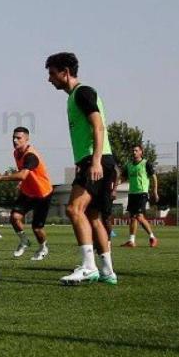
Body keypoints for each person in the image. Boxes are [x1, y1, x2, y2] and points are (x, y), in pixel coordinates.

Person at [46, 52, 118, 285]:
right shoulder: (73, 97)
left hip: (95, 160)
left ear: (65, 73)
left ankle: (88, 267)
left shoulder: (82, 92)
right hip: (98, 160)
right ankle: (108, 271)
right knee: (94, 216)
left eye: (52, 74)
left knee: (74, 210)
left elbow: (98, 126)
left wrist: (95, 161)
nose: (49, 79)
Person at [0, 127, 53, 261]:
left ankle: (43, 248)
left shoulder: (31, 155)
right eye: (13, 137)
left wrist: (1, 178)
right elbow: (26, 175)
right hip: (28, 192)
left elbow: (23, 175)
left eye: (19, 138)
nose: (15, 140)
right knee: (14, 217)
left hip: (42, 194)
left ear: (27, 139)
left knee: (37, 228)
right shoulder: (16, 153)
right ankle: (24, 241)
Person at [121, 144, 159, 248]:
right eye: (133, 151)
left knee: (139, 216)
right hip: (132, 193)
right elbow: (123, 178)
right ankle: (131, 241)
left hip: (142, 193)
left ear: (141, 152)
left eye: (136, 150)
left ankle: (152, 237)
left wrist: (155, 191)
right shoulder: (129, 165)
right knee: (132, 217)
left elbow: (154, 177)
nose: (134, 152)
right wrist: (114, 185)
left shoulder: (146, 163)